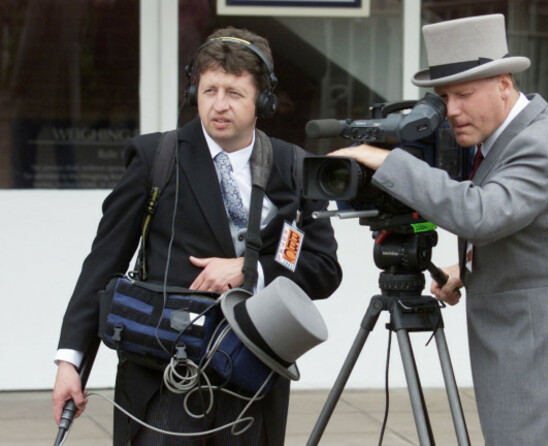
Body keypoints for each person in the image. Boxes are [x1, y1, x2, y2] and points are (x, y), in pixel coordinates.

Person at [329, 14, 548, 446]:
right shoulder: (505, 138)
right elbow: (531, 227)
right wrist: (469, 265)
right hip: (539, 361)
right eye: (443, 97)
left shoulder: (538, 143)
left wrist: (389, 163)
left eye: (464, 93)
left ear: (504, 83)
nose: (452, 110)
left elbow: (482, 214)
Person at [52, 26, 342, 445]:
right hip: (162, 382)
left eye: (235, 93)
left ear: (263, 99)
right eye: (209, 91)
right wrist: (71, 362)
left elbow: (323, 270)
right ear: (194, 93)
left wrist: (250, 271)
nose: (219, 106)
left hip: (252, 386)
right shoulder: (156, 157)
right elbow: (103, 263)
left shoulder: (293, 166)